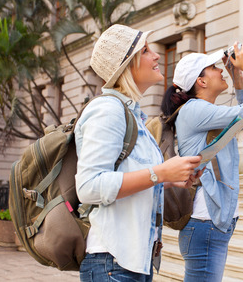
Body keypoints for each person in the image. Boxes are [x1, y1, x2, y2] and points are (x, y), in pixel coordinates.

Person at [75, 24, 202, 282]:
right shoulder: (107, 110)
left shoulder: (133, 116)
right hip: (112, 263)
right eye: (145, 50)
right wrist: (160, 173)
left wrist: (167, 180)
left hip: (132, 263)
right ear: (126, 65)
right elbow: (89, 186)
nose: (156, 56)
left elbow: (130, 180)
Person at [161, 43, 243, 281]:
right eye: (213, 68)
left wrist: (238, 79)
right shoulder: (195, 111)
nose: (220, 70)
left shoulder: (204, 111)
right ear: (202, 81)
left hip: (211, 222)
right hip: (204, 222)